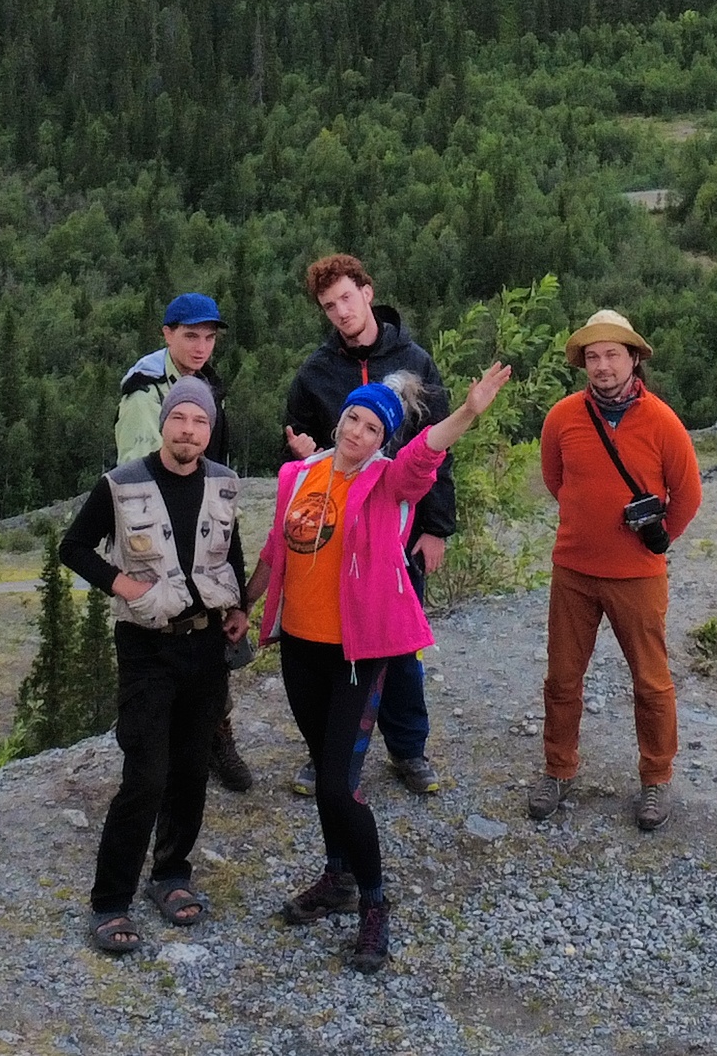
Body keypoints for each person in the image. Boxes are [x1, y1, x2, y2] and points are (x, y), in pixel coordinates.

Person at [252, 358, 516, 975]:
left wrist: (469, 413)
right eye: (352, 418)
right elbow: (276, 550)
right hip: (299, 645)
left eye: (372, 427)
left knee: (341, 784)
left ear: (382, 439)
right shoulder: (299, 474)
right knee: (324, 771)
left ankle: (373, 905)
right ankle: (335, 878)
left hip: (357, 652)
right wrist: (245, 606)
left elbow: (427, 453)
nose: (357, 433)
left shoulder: (390, 482)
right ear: (340, 418)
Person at [58, 376, 248, 956]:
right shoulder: (120, 485)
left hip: (206, 644)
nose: (188, 430)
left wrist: (237, 607)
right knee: (145, 775)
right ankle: (110, 902)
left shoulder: (224, 483)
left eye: (199, 422)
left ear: (209, 430)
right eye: (180, 419)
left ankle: (171, 874)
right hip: (146, 644)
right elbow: (73, 548)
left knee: (191, 768)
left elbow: (229, 550)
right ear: (164, 422)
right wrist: (122, 585)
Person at [279, 253, 458, 793]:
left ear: (367, 291)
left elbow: (440, 451)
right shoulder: (315, 373)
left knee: (398, 645)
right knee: (329, 649)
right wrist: (302, 452)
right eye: (328, 306)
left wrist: (436, 528)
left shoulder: (415, 361)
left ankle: (408, 750)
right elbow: (291, 453)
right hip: (334, 536)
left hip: (399, 535)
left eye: (346, 299)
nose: (340, 312)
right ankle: (326, 751)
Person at [524, 307, 704, 831]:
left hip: (638, 575)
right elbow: (556, 481)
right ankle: (558, 769)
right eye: (593, 356)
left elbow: (688, 495)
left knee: (651, 683)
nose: (602, 366)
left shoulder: (663, 421)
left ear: (633, 359)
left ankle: (656, 778)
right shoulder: (561, 417)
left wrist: (658, 540)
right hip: (573, 571)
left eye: (612, 355)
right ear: (584, 363)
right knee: (561, 678)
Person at [113, 291, 254, 792]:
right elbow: (133, 476)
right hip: (158, 534)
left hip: (204, 519)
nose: (201, 346)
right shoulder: (145, 389)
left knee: (209, 636)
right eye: (191, 335)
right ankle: (160, 751)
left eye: (209, 337)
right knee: (163, 638)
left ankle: (212, 734)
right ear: (167, 333)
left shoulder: (203, 382)